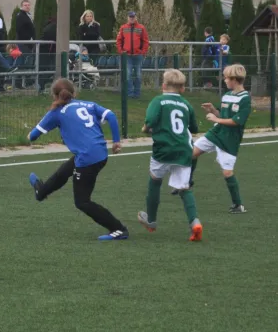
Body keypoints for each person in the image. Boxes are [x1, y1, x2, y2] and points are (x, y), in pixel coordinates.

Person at [26, 78, 129, 241]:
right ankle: (41, 191)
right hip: (100, 153)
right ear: (74, 93)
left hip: (88, 158)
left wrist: (34, 132)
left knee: (82, 202)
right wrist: (116, 141)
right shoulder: (89, 105)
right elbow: (111, 116)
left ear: (54, 96)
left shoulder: (56, 113)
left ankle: (118, 229)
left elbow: (32, 136)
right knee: (65, 170)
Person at [172, 64, 250, 214]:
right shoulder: (227, 95)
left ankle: (238, 205)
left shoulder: (245, 99)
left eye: (226, 77)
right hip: (216, 133)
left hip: (229, 139)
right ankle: (187, 181)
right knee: (191, 153)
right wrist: (213, 110)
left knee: (227, 173)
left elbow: (236, 122)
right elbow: (223, 116)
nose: (224, 80)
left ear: (234, 79)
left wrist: (216, 118)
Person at [137, 69, 203, 241]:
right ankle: (195, 222)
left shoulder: (158, 101)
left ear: (163, 85)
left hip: (163, 149)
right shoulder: (187, 105)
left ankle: (151, 220)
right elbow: (194, 128)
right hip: (184, 150)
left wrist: (145, 129)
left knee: (155, 180)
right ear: (182, 88)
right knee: (184, 188)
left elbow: (150, 121)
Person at [116, 11, 149, 98]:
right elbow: (119, 40)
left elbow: (145, 41)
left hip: (138, 55)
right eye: (130, 17)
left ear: (136, 17)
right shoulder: (123, 28)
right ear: (128, 18)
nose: (132, 18)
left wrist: (143, 52)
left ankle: (137, 94)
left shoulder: (141, 28)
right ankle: (130, 94)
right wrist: (121, 51)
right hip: (127, 56)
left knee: (138, 75)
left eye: (133, 17)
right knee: (128, 75)